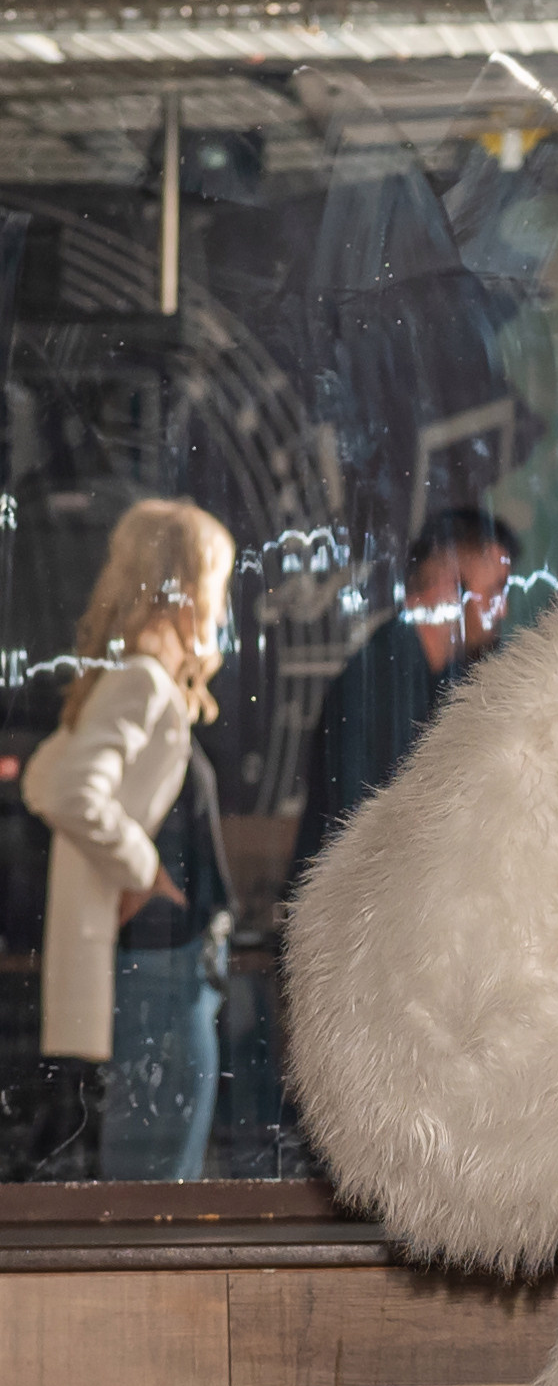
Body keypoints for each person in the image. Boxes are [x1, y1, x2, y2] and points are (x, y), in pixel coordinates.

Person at [20, 498, 236, 1181]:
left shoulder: (133, 681)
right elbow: (65, 790)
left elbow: (42, 780)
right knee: (157, 1197)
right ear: (187, 589)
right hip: (163, 967)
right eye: (216, 583)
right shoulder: (142, 683)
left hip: (167, 965)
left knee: (153, 1187)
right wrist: (143, 870)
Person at [289, 506, 516, 880]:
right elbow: (372, 834)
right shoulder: (383, 678)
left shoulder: (416, 670)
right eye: (494, 590)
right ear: (450, 586)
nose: (503, 608)